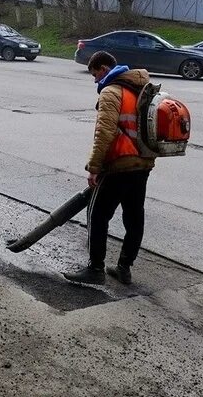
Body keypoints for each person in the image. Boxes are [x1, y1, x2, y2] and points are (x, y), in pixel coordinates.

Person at [64, 51, 155, 285]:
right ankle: (124, 268)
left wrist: (94, 167)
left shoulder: (111, 91)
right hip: (142, 164)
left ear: (104, 69)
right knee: (134, 217)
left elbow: (104, 132)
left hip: (118, 164)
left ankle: (95, 269)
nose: (95, 80)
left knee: (98, 215)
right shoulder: (142, 88)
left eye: (95, 75)